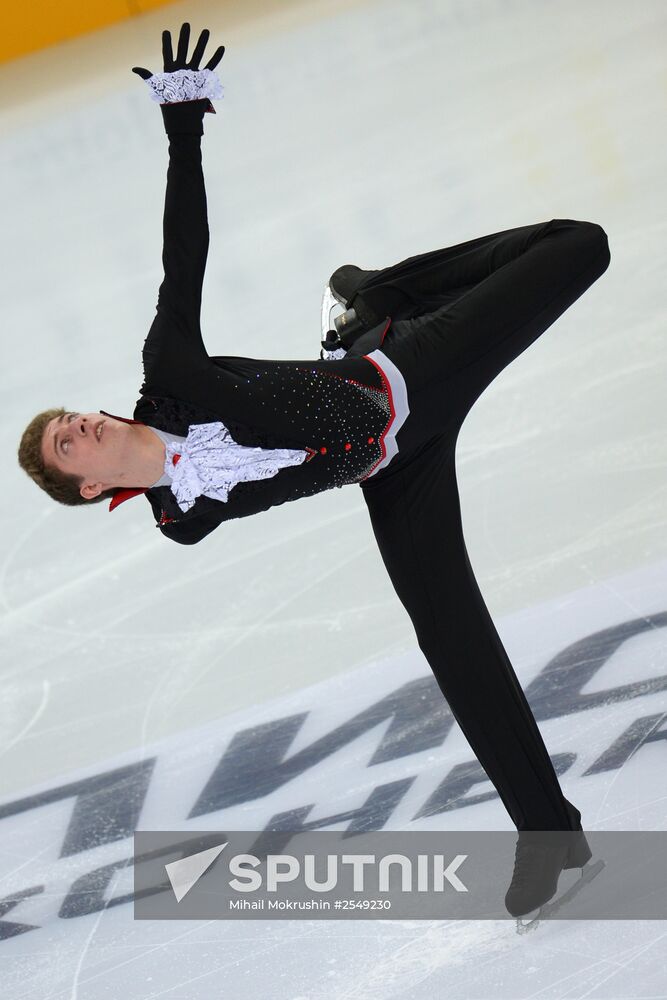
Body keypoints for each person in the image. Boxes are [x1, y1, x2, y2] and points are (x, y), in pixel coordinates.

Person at [17, 23, 611, 916]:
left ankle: (381, 295)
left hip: (409, 374)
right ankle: (550, 837)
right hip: (387, 468)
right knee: (450, 638)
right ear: (91, 488)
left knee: (578, 245)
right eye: (66, 447)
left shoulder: (168, 372)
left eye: (67, 419)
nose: (75, 425)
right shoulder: (181, 515)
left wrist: (184, 130)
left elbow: (186, 255)